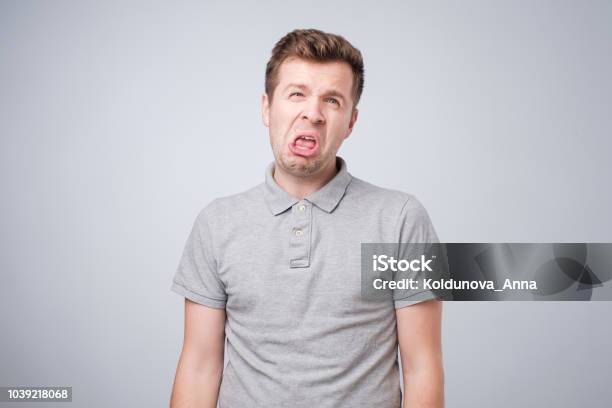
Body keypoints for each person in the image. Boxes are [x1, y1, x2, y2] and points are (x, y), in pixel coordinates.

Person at [169, 28, 444, 408]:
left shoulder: (400, 218)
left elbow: (422, 367)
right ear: (267, 108)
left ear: (351, 121)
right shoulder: (217, 223)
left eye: (332, 100)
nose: (312, 113)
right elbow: (199, 366)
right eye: (296, 93)